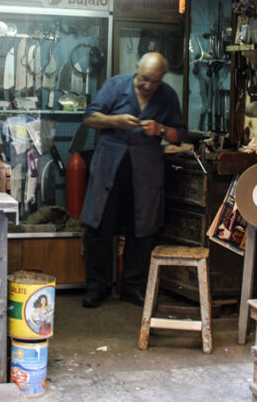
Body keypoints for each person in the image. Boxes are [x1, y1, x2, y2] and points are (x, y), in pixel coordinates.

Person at [79, 52, 186, 308]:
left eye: (155, 81)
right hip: (109, 167)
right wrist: (113, 120)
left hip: (145, 171)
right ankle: (96, 287)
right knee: (99, 227)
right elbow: (89, 117)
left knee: (143, 230)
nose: (148, 86)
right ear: (137, 69)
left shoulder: (168, 95)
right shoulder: (116, 85)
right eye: (144, 79)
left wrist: (160, 130)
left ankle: (133, 287)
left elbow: (179, 134)